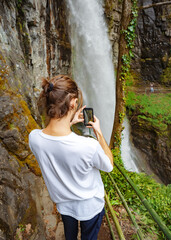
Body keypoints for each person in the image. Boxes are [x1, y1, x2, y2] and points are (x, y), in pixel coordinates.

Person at [28, 75, 113, 240]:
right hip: (90, 206)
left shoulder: (34, 138)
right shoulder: (88, 146)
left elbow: (55, 141)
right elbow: (109, 165)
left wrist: (70, 122)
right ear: (73, 103)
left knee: (70, 236)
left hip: (64, 205)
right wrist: (99, 132)